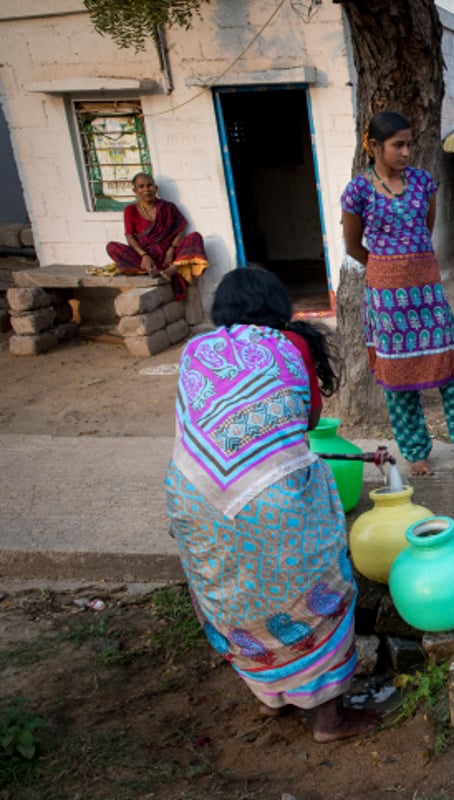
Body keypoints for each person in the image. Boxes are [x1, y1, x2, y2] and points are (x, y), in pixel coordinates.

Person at [164, 267, 378, 743]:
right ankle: (329, 719)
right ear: (278, 306)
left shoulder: (195, 349)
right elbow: (308, 418)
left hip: (194, 494)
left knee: (234, 596)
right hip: (273, 496)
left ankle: (269, 698)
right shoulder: (289, 345)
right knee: (318, 588)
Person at [340, 111, 454, 477]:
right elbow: (353, 245)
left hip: (428, 293)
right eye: (397, 145)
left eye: (408, 144)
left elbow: (426, 228)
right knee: (398, 380)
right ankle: (416, 452)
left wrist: (412, 265)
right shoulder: (358, 190)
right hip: (387, 301)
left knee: (451, 367)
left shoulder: (422, 182)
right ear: (374, 147)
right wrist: (388, 267)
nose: (406, 152)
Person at [106, 172, 208, 300]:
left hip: (169, 256)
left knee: (195, 237)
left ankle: (172, 269)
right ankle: (151, 269)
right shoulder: (130, 210)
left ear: (156, 188)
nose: (146, 190)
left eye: (149, 185)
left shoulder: (168, 207)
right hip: (147, 255)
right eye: (141, 186)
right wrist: (144, 255)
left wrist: (171, 249)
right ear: (135, 191)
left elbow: (180, 230)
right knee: (111, 247)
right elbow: (130, 236)